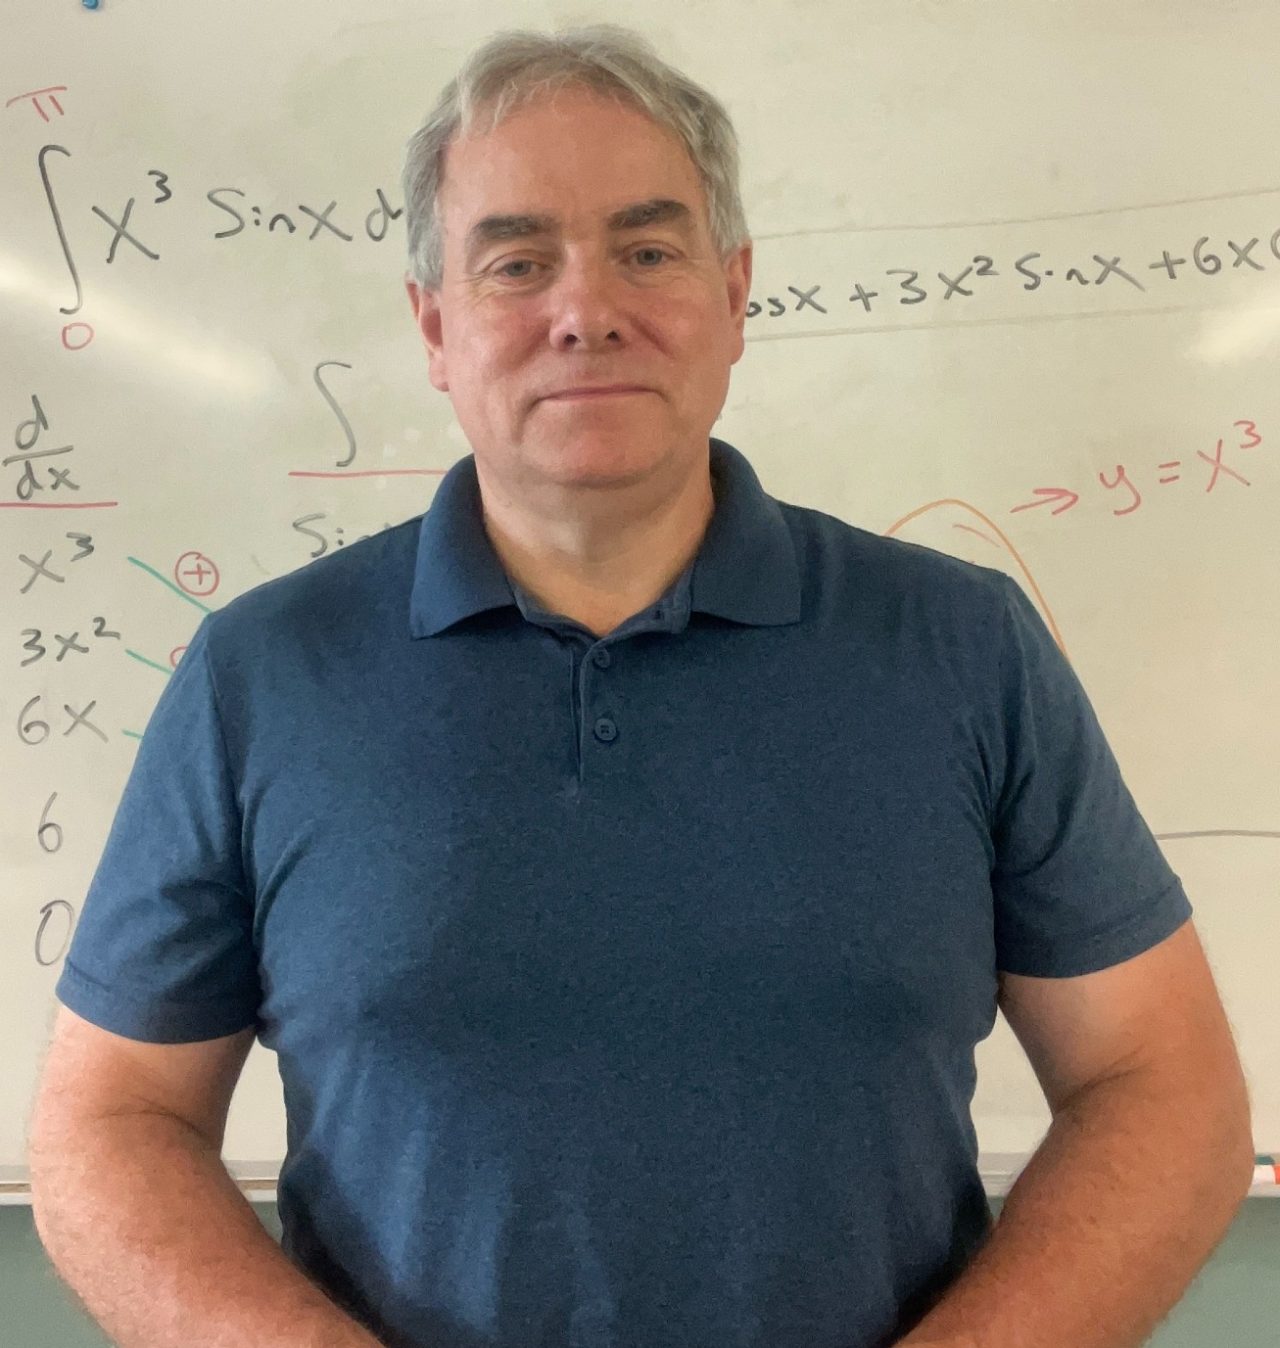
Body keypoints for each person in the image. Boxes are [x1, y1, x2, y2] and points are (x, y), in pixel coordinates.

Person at [28, 24, 1253, 1348]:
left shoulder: (961, 647)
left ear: (734, 295)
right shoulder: (261, 677)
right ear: (434, 326)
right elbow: (109, 1120)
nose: (587, 307)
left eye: (649, 249)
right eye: (516, 262)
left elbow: (1162, 1085)